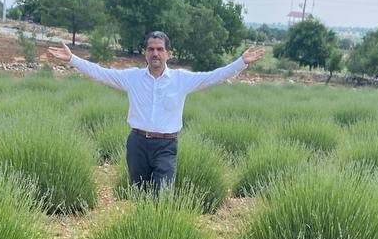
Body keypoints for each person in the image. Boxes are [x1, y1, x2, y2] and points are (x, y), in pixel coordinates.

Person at [48, 31, 264, 191]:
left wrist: (241, 63)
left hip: (166, 147)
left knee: (162, 196)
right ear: (145, 53)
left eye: (160, 49)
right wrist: (72, 59)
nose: (155, 53)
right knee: (139, 195)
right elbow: (100, 73)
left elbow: (214, 76)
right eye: (151, 49)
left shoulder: (181, 79)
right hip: (137, 144)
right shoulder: (132, 77)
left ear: (168, 53)